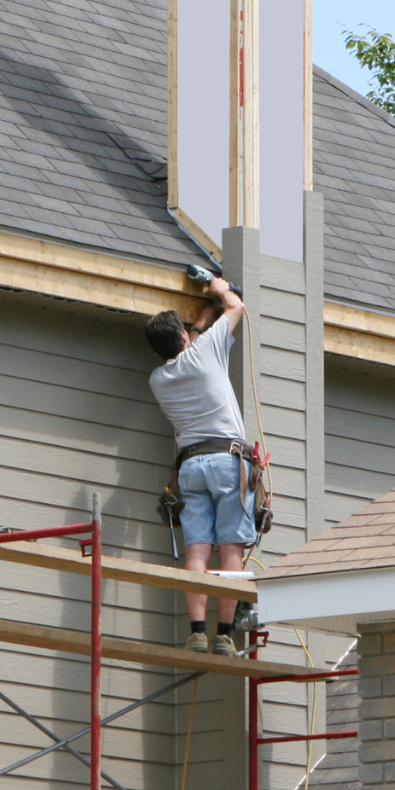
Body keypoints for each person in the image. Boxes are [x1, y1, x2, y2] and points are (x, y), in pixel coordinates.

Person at [145, 277, 251, 656]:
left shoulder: (159, 379)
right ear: (184, 338)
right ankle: (224, 632)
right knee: (231, 546)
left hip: (190, 466)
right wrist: (221, 289)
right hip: (226, 460)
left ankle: (197, 632)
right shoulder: (206, 351)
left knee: (198, 550)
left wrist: (198, 325)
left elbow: (190, 346)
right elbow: (237, 309)